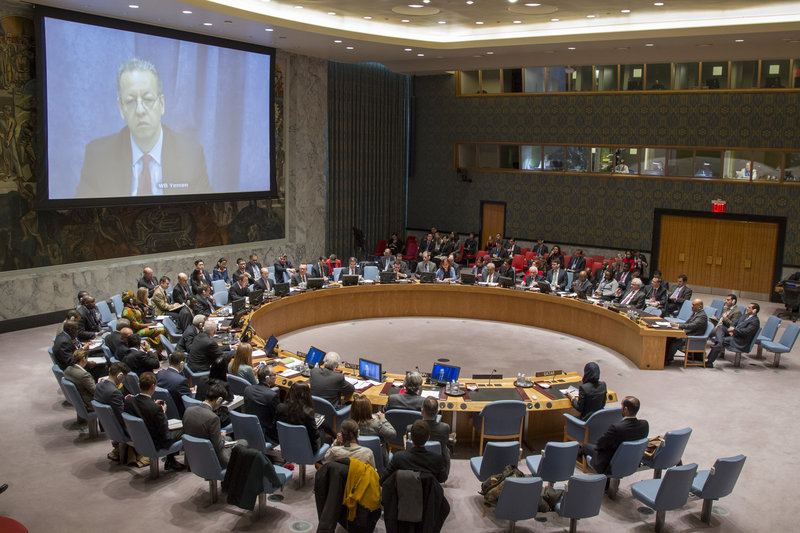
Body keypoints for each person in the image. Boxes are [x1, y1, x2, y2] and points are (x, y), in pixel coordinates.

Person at [76, 58, 210, 198]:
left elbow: (206, 212)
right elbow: (83, 215)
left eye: (148, 99)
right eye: (130, 101)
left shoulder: (190, 154)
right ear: (121, 108)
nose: (140, 110)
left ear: (162, 104)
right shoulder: (99, 156)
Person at [124, 371, 185, 471]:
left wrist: (155, 406)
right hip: (156, 441)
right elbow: (164, 432)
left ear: (139, 385)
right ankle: (172, 461)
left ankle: (171, 461)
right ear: (153, 386)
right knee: (186, 428)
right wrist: (163, 412)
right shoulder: (155, 408)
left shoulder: (129, 401)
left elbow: (142, 410)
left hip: (139, 438)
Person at [94, 361, 147, 465]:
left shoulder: (99, 385)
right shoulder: (114, 392)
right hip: (121, 428)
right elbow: (123, 416)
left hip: (108, 426)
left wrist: (125, 401)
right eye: (124, 377)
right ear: (120, 375)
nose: (124, 380)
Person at [581, 396, 648, 475]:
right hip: (631, 460)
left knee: (585, 446)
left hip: (610, 463)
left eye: (622, 406)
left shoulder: (617, 428)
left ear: (625, 409)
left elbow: (600, 445)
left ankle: (602, 480)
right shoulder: (644, 424)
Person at [183, 381, 236, 467]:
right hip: (210, 458)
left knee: (229, 438)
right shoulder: (213, 418)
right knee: (242, 444)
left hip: (193, 457)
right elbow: (218, 446)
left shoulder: (188, 410)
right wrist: (221, 436)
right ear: (219, 400)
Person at [382, 420, 447, 483]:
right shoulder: (436, 459)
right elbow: (442, 479)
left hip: (404, 493)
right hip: (429, 493)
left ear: (411, 437)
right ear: (428, 438)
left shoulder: (398, 458)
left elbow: (383, 480)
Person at [707, 303, 760, 368]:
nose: (747, 308)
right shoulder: (745, 316)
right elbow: (734, 323)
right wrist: (731, 328)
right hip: (734, 333)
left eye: (749, 308)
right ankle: (719, 343)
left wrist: (734, 331)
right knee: (720, 327)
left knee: (720, 341)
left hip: (740, 340)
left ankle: (709, 362)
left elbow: (746, 332)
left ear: (754, 310)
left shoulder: (755, 321)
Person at [276, 382, 323, 454]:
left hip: (286, 443)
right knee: (322, 429)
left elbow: (276, 427)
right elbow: (314, 436)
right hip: (308, 449)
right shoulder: (307, 412)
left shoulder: (280, 407)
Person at [413, 397, 452, 479]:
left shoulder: (411, 428)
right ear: (437, 412)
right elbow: (445, 443)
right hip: (439, 470)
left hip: (416, 466)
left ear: (422, 411)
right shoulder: (445, 428)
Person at [350, 396, 395, 465]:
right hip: (378, 462)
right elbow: (393, 434)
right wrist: (383, 419)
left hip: (356, 461)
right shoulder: (377, 424)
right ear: (369, 410)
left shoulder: (349, 425)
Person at [243, 364, 280, 444]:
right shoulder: (272, 395)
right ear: (267, 378)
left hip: (250, 429)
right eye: (274, 375)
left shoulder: (248, 389)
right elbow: (277, 416)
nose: (276, 377)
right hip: (266, 435)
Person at [665, 298, 708, 365]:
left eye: (694, 305)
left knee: (675, 341)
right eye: (692, 304)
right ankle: (665, 357)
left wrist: (678, 325)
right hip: (687, 334)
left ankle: (668, 360)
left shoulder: (702, 316)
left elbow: (692, 325)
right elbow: (687, 324)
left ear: (700, 307)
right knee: (669, 337)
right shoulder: (696, 313)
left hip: (692, 338)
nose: (692, 306)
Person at [156, 350, 192, 417]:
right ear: (181, 364)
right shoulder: (182, 380)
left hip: (164, 411)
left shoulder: (159, 374)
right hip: (179, 414)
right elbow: (188, 402)